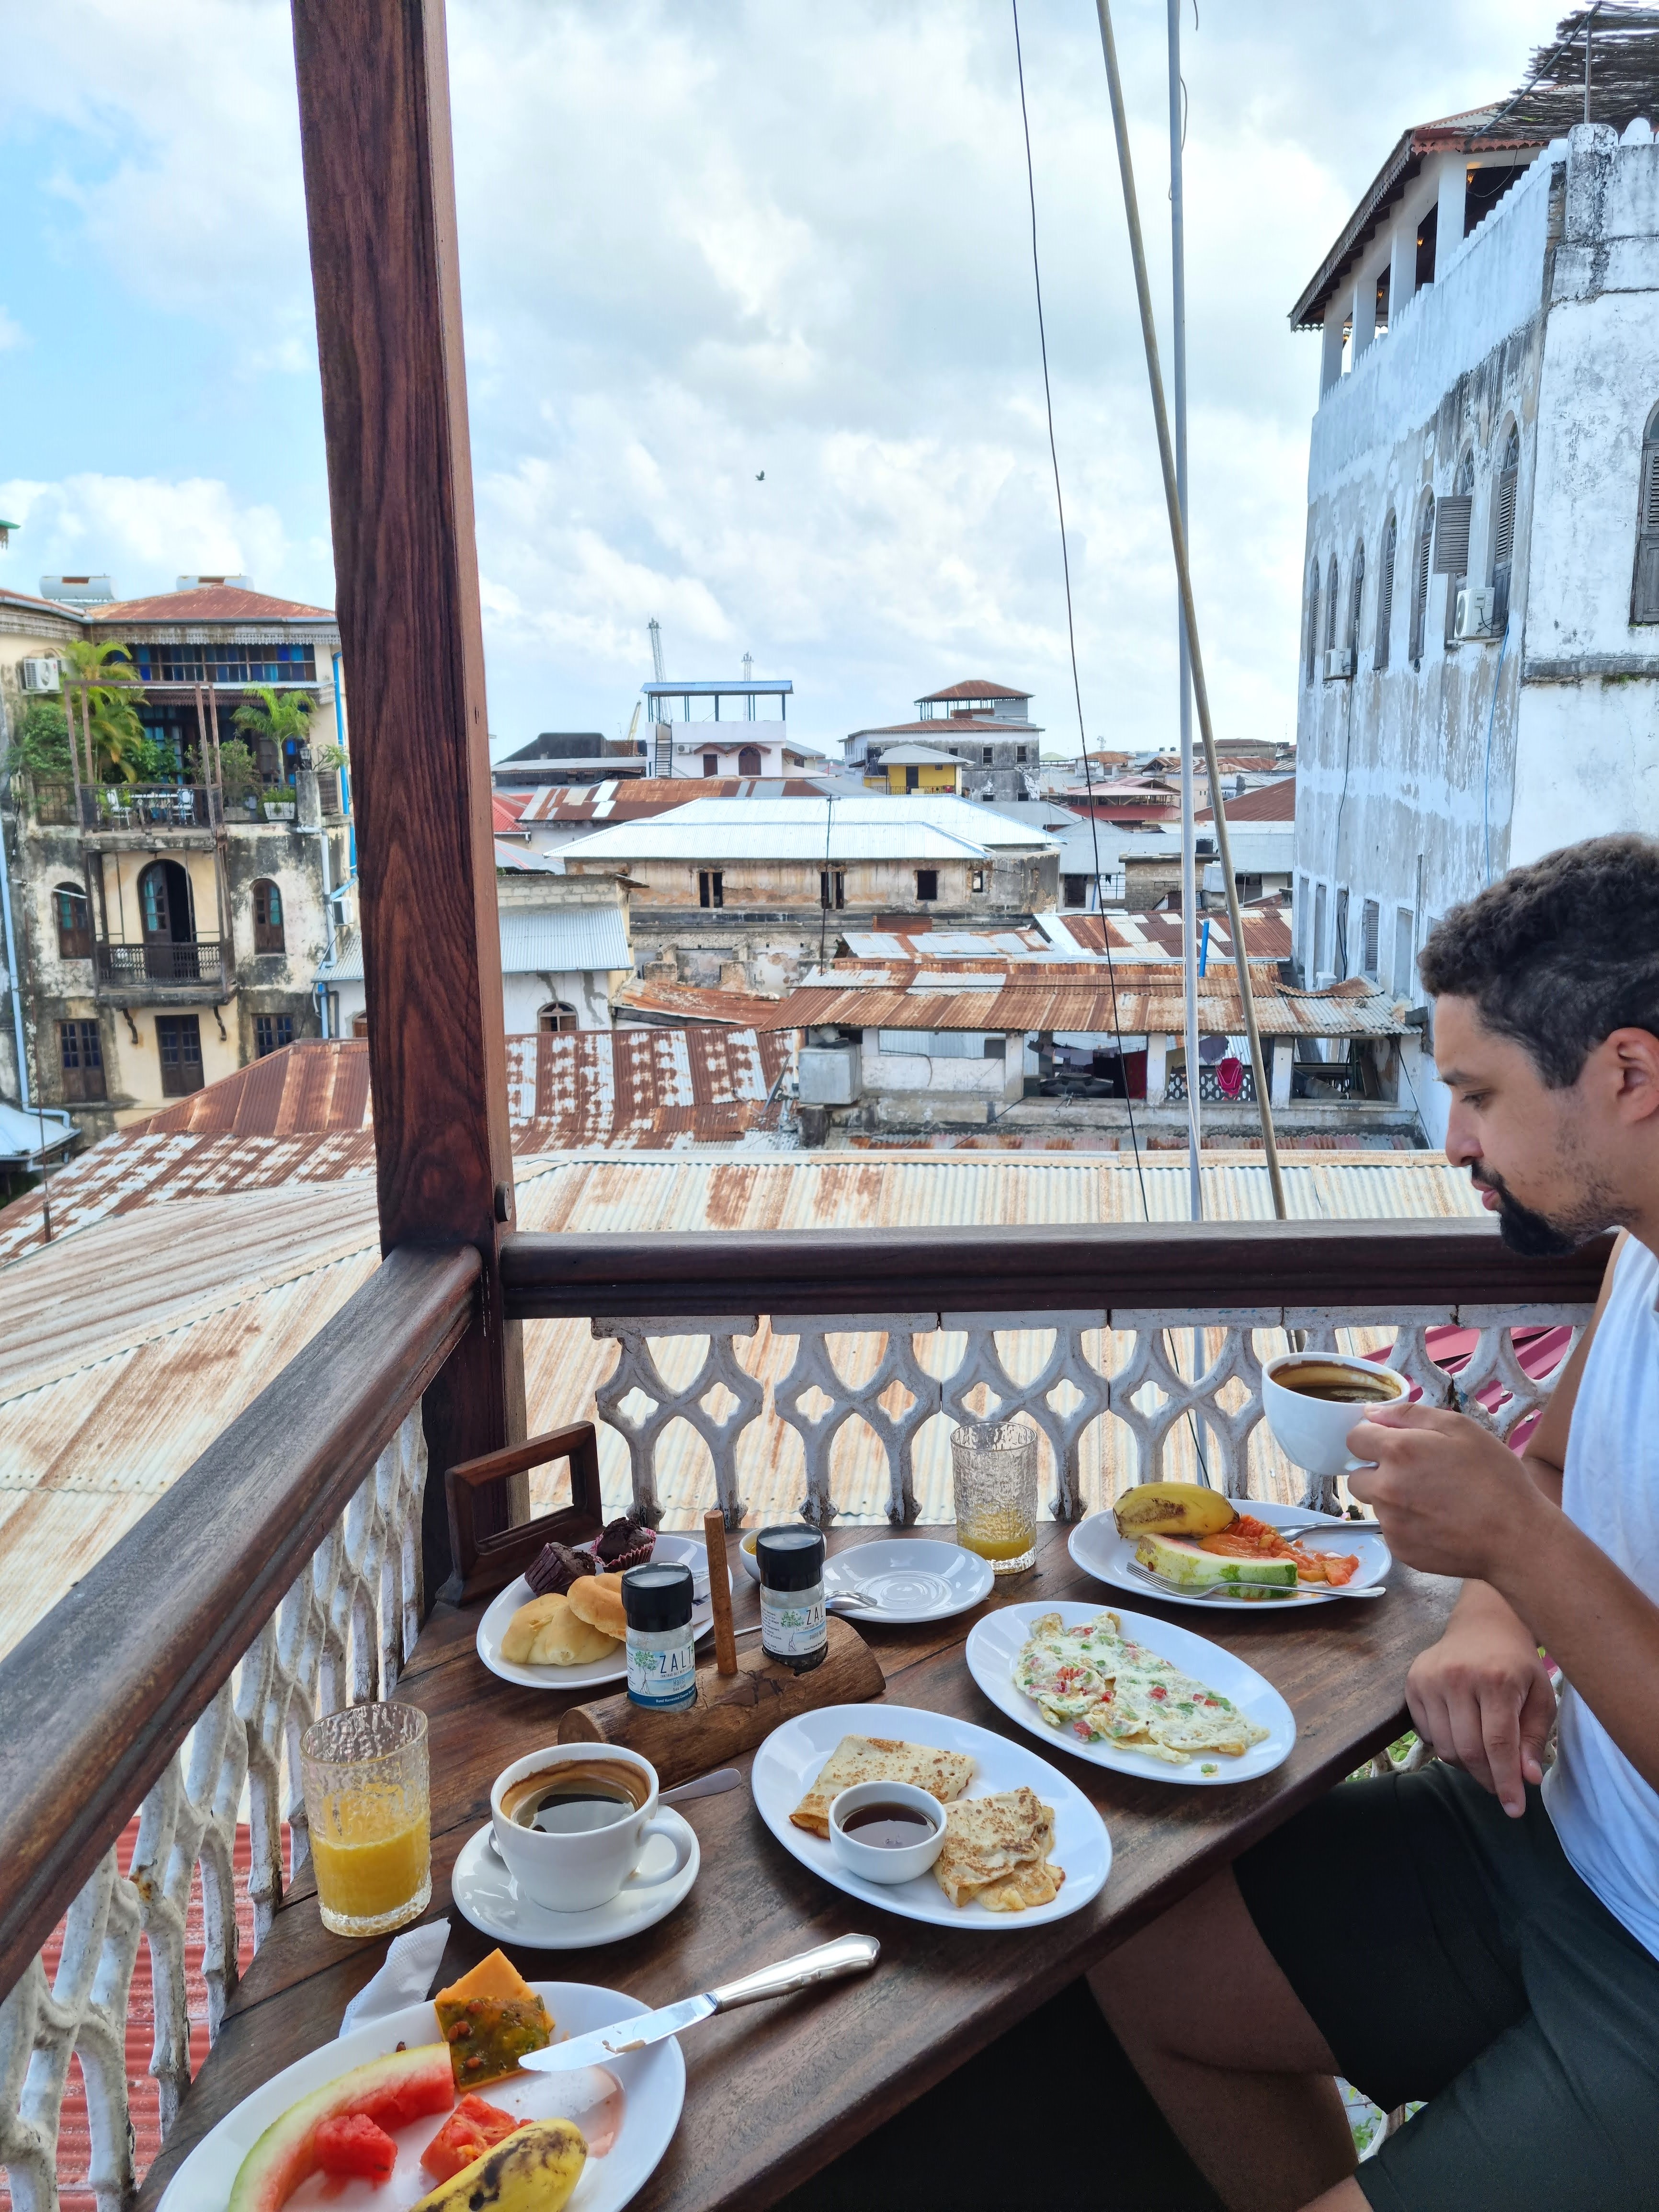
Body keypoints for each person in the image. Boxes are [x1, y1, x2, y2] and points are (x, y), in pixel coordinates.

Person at [1088, 835, 1659, 2212]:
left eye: (1477, 1092)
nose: (1456, 1137)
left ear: (1628, 1075)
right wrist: (1488, 1614)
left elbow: (1537, 1520)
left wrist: (1515, 1551)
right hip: (1549, 1827)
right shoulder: (1638, 1244)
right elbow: (1567, 1454)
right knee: (1131, 1933)